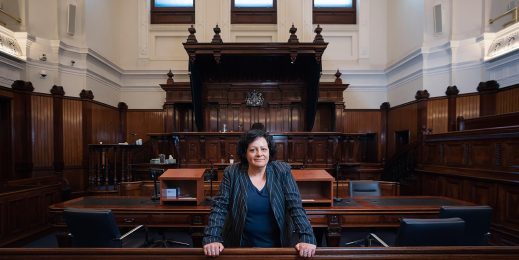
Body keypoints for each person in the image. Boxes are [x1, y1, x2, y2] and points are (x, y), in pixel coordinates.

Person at [203, 129, 316, 257]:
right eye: (253, 150)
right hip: (240, 248)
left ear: (269, 151)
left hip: (278, 248)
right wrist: (212, 238)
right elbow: (220, 207)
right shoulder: (232, 172)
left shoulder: (282, 171)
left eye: (264, 149)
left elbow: (295, 206)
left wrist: (307, 237)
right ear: (245, 153)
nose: (259, 154)